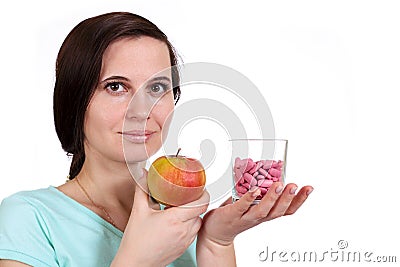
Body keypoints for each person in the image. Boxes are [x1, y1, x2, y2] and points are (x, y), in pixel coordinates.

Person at [0, 12, 313, 267]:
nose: (142, 110)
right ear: (75, 100)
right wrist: (136, 261)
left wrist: (217, 242)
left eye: (157, 88)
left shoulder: (181, 219)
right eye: (115, 87)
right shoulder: (28, 218)